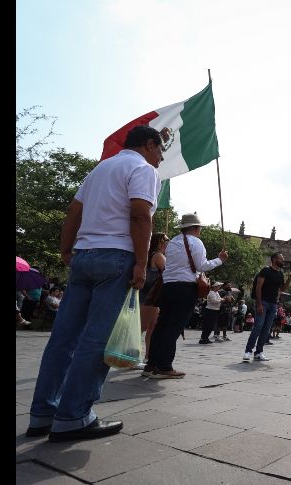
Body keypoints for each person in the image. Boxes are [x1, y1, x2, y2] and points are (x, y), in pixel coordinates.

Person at [27, 125, 163, 442]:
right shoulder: (142, 170)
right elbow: (141, 216)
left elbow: (73, 212)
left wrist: (65, 249)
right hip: (117, 258)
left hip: (84, 255)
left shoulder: (101, 168)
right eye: (160, 151)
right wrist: (142, 263)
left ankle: (42, 413)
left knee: (63, 339)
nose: (160, 159)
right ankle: (74, 416)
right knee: (97, 341)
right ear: (149, 144)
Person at [146, 213, 227, 378]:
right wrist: (220, 260)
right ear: (196, 228)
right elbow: (201, 265)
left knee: (161, 326)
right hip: (185, 287)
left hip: (168, 287)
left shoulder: (173, 242)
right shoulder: (195, 242)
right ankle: (164, 366)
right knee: (174, 327)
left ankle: (151, 364)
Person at [243, 252, 291, 362]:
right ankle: (248, 351)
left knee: (266, 329)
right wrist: (259, 303)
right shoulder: (265, 270)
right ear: (274, 259)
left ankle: (259, 352)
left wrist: (289, 279)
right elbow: (258, 287)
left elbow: (282, 289)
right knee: (258, 326)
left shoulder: (280, 274)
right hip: (263, 302)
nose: (283, 261)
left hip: (273, 304)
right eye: (281, 259)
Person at [139, 232, 168, 364]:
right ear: (160, 242)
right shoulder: (158, 256)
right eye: (166, 239)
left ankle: (148, 356)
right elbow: (168, 272)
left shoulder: (153, 255)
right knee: (144, 327)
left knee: (151, 327)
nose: (169, 242)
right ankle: (132, 354)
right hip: (150, 295)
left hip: (149, 295)